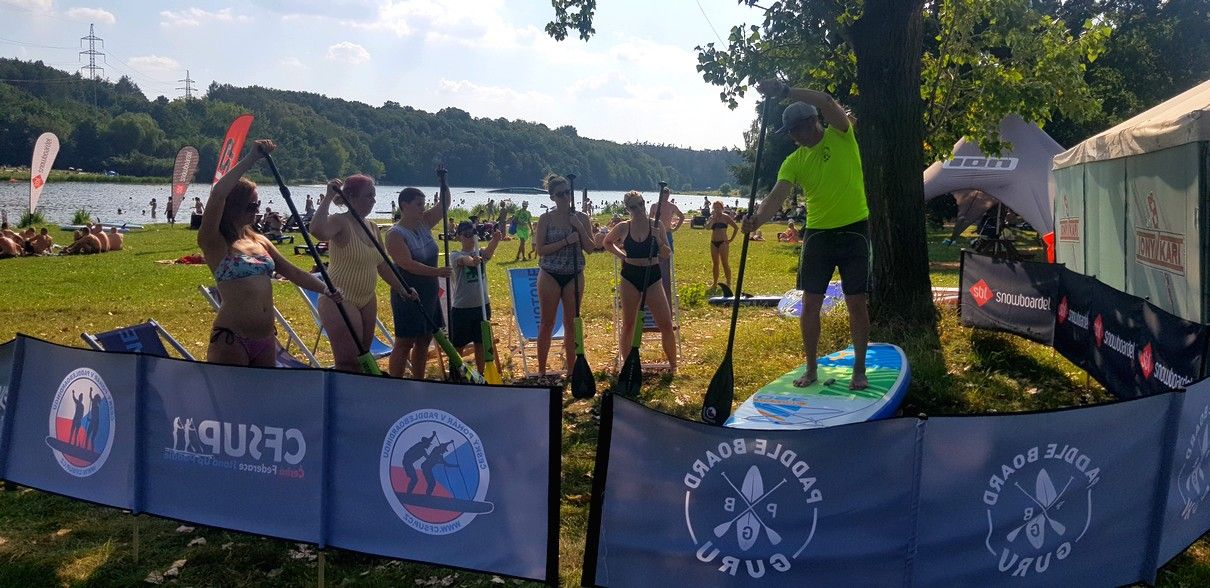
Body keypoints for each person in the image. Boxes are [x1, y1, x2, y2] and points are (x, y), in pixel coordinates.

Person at [742, 80, 870, 390]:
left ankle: (859, 370)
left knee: (856, 303)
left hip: (854, 230)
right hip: (818, 237)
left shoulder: (841, 134)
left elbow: (826, 101)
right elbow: (776, 196)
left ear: (807, 125)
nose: (791, 138)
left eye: (792, 131)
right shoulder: (794, 161)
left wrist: (784, 92)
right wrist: (756, 220)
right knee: (810, 304)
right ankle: (811, 369)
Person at [197, 139, 343, 367]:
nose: (257, 211)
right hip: (232, 339)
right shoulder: (215, 242)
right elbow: (217, 196)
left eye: (258, 205)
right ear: (233, 206)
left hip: (266, 338)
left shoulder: (260, 240)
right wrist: (252, 158)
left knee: (264, 399)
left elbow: (292, 271)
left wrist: (325, 289)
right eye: (251, 206)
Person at [308, 175, 416, 373]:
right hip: (339, 298)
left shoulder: (373, 227)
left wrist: (402, 288)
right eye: (368, 196)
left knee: (364, 358)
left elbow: (383, 264)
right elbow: (317, 231)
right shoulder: (339, 221)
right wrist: (327, 198)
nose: (374, 200)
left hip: (367, 298)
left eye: (374, 196)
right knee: (348, 361)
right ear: (352, 197)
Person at [385, 166, 452, 379]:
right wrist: (437, 271)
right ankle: (396, 383)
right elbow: (406, 264)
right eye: (418, 205)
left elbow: (445, 204)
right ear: (404, 205)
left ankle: (419, 381)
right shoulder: (395, 233)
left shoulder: (424, 223)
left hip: (429, 289)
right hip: (408, 290)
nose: (423, 209)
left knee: (425, 338)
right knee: (405, 341)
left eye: (424, 204)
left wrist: (443, 182)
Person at [604, 191, 676, 373]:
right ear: (627, 209)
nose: (638, 209)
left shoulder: (657, 224)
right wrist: (623, 256)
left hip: (652, 275)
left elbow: (667, 254)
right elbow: (607, 242)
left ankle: (673, 366)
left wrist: (659, 239)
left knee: (665, 324)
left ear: (645, 203)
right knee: (629, 324)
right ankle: (629, 366)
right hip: (630, 276)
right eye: (633, 207)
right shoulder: (623, 227)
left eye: (641, 204)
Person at [533, 173, 594, 376]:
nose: (565, 197)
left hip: (574, 274)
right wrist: (566, 241)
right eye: (560, 194)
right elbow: (540, 249)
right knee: (547, 323)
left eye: (568, 192)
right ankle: (541, 370)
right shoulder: (545, 219)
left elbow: (591, 248)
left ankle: (571, 370)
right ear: (552, 197)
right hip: (550, 274)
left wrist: (579, 228)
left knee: (571, 322)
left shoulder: (582, 218)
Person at [448, 220, 503, 375]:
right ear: (459, 237)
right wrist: (473, 261)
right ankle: (456, 373)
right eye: (466, 235)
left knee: (480, 342)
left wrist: (496, 238)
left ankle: (481, 372)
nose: (470, 238)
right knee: (458, 344)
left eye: (472, 234)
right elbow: (464, 261)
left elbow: (489, 252)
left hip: (482, 306)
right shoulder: (455, 255)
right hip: (462, 308)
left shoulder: (480, 252)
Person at [649, 185, 684, 298]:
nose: (665, 197)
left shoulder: (672, 206)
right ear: (660, 195)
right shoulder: (654, 206)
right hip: (656, 233)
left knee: (668, 255)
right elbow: (649, 219)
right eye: (663, 194)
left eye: (667, 195)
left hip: (668, 233)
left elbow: (681, 217)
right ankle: (654, 277)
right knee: (654, 255)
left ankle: (667, 278)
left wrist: (676, 228)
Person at [707, 201, 738, 286]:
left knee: (725, 263)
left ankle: (728, 282)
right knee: (715, 263)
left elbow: (736, 228)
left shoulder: (726, 217)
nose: (716, 209)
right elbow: (707, 228)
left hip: (723, 242)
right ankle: (715, 283)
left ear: (722, 208)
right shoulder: (712, 217)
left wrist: (731, 239)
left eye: (718, 207)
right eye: (715, 207)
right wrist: (712, 220)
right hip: (713, 242)